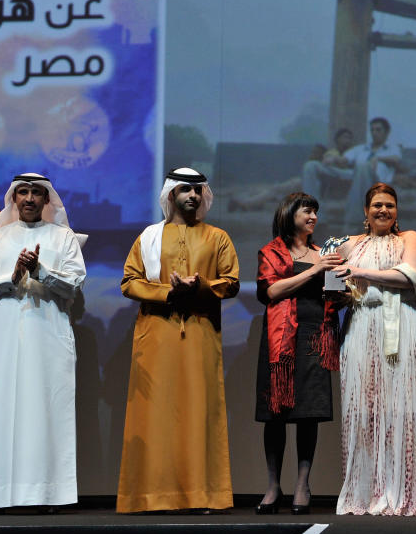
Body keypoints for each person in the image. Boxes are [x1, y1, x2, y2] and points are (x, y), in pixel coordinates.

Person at [117, 168, 240, 513]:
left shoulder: (217, 237)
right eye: (186, 189)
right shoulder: (149, 237)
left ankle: (203, 495)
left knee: (199, 412)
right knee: (155, 414)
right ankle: (150, 497)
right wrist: (167, 292)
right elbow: (129, 282)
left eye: (198, 190)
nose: (194, 196)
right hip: (157, 334)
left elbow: (230, 281)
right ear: (171, 194)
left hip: (199, 333)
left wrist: (199, 287)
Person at [0, 175, 86, 510]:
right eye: (23, 192)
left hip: (48, 333)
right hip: (1, 333)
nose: (29, 198)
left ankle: (45, 493)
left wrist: (40, 270)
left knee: (45, 408)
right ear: (14, 198)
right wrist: (12, 276)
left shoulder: (63, 237)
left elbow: (73, 282)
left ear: (47, 199)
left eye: (36, 193)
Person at [335, 183, 416, 516]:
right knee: (368, 408)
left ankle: (415, 489)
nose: (383, 210)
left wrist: (357, 272)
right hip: (363, 327)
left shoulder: (409, 239)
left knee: (409, 405)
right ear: (365, 211)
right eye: (376, 205)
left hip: (403, 324)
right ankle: (369, 490)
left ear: (397, 211)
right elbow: (329, 266)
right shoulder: (352, 243)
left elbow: (409, 275)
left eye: (389, 205)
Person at [254, 193, 344, 515]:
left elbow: (332, 295)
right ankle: (273, 485)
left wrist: (342, 289)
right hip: (281, 340)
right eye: (307, 210)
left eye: (316, 211)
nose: (313, 216)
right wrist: (313, 270)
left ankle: (303, 484)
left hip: (313, 336)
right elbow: (271, 291)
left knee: (309, 414)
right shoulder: (272, 252)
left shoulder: (324, 253)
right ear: (289, 213)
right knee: (275, 414)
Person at [340, 119, 403, 228]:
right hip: (355, 178)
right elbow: (344, 159)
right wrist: (331, 158)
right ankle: (317, 215)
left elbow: (396, 159)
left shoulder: (392, 148)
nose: (374, 133)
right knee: (312, 166)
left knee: (363, 165)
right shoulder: (361, 148)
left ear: (386, 132)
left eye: (378, 130)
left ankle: (354, 221)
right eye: (372, 130)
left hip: (378, 182)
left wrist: (378, 158)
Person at [301, 128, 356, 199]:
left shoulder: (355, 152)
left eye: (350, 138)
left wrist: (337, 160)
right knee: (311, 165)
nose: (348, 140)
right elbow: (327, 161)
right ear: (337, 139)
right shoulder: (332, 152)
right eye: (345, 137)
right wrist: (332, 160)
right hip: (333, 173)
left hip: (349, 174)